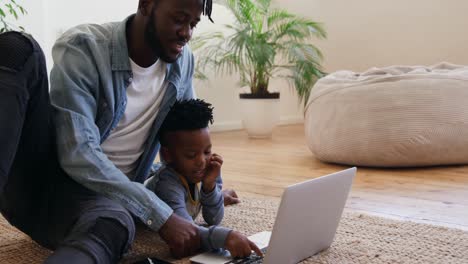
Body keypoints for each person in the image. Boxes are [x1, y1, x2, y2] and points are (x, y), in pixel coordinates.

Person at [0, 0, 238, 263]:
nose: (187, 33)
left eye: (193, 24)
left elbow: (188, 139)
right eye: (179, 19)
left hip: (94, 206)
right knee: (18, 47)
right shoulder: (84, 48)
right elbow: (78, 153)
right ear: (146, 5)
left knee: (117, 223)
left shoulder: (182, 62)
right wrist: (160, 214)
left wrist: (208, 190)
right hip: (40, 182)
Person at [145, 99, 262, 257]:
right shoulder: (167, 185)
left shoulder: (207, 170)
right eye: (191, 155)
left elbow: (213, 218)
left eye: (207, 151)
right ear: (167, 155)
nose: (201, 161)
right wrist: (225, 237)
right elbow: (187, 231)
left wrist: (210, 187)